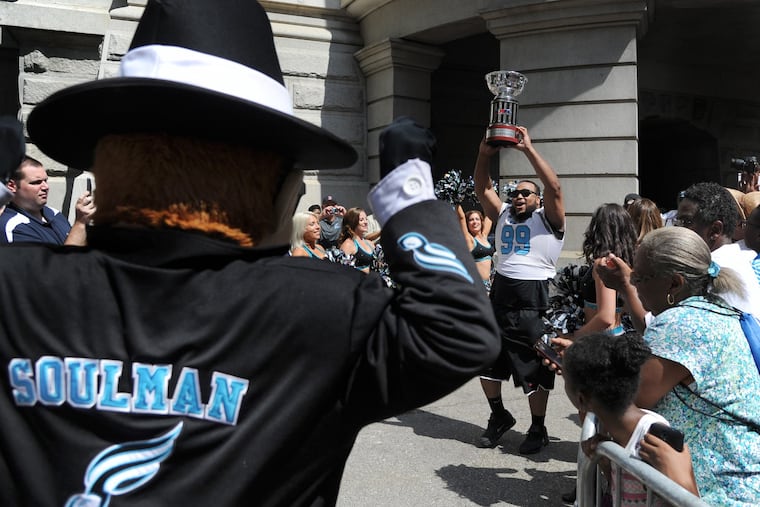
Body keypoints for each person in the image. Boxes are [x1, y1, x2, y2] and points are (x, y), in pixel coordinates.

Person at [0, 2, 500, 506]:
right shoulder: (321, 310)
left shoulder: (16, 288)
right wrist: (408, 200)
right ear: (278, 192)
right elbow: (459, 333)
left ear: (107, 167)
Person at [628, 226, 760, 505]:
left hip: (719, 492)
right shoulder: (712, 310)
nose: (634, 283)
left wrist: (582, 370)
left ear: (674, 284)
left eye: (639, 277)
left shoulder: (681, 323)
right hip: (735, 481)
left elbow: (631, 396)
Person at [473, 126, 565, 452]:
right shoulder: (502, 215)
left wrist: (528, 149)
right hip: (500, 296)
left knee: (537, 366)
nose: (520, 197)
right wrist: (484, 155)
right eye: (516, 192)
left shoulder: (548, 219)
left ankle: (537, 428)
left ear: (538, 200)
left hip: (534, 300)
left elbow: (554, 187)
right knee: (486, 359)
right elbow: (481, 186)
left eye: (527, 193)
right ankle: (498, 416)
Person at [563, 331, 698, 504]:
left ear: (581, 399)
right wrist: (605, 463)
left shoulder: (653, 442)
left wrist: (680, 479)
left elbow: (688, 500)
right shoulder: (614, 434)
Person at [674, 182, 760, 315]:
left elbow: (649, 323)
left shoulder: (711, 271)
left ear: (715, 230)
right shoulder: (741, 258)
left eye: (686, 222)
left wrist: (628, 280)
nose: (678, 230)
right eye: (677, 222)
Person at [574, 203, 638, 338]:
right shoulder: (624, 263)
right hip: (616, 335)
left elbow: (606, 317)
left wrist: (576, 337)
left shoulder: (604, 264)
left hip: (601, 341)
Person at [0, 156, 94, 245]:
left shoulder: (54, 214)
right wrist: (80, 222)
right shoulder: (13, 227)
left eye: (46, 180)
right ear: (12, 186)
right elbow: (62, 261)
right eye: (36, 182)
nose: (46, 187)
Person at [456, 204, 494, 290]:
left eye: (477, 219)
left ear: (481, 221)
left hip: (489, 283)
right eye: (471, 220)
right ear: (467, 223)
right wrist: (456, 199)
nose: (475, 222)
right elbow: (461, 217)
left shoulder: (484, 236)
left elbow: (490, 215)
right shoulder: (469, 239)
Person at [338, 207, 375, 273]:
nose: (366, 222)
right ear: (353, 222)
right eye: (361, 220)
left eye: (366, 219)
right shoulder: (348, 244)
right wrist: (364, 270)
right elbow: (342, 270)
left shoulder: (370, 243)